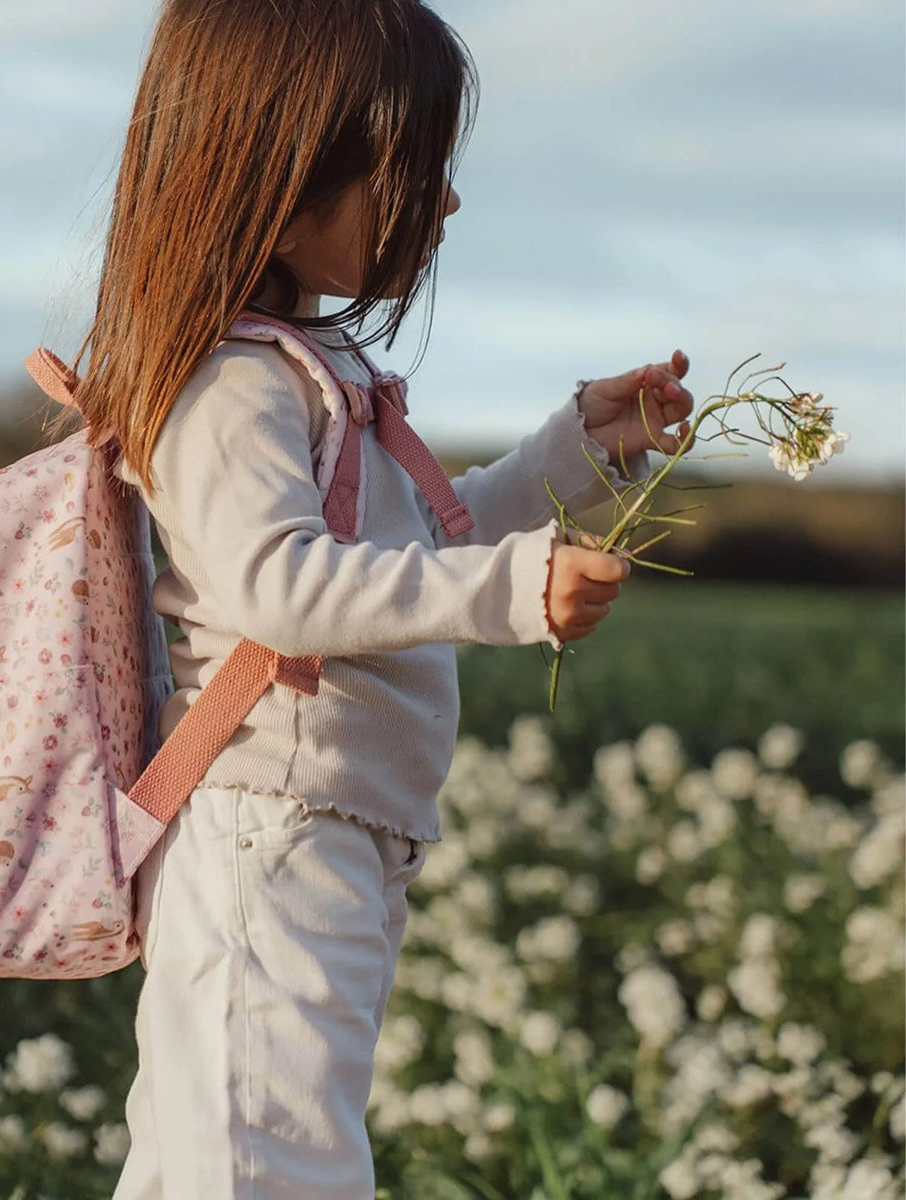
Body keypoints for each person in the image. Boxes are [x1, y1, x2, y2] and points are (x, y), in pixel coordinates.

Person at [69, 1, 694, 1194]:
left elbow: (413, 536)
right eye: (414, 170)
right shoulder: (228, 385)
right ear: (290, 188)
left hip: (326, 826)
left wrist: (578, 454)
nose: (445, 202)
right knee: (270, 1167)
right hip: (269, 828)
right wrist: (511, 591)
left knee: (232, 1159)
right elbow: (283, 589)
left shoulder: (304, 369)